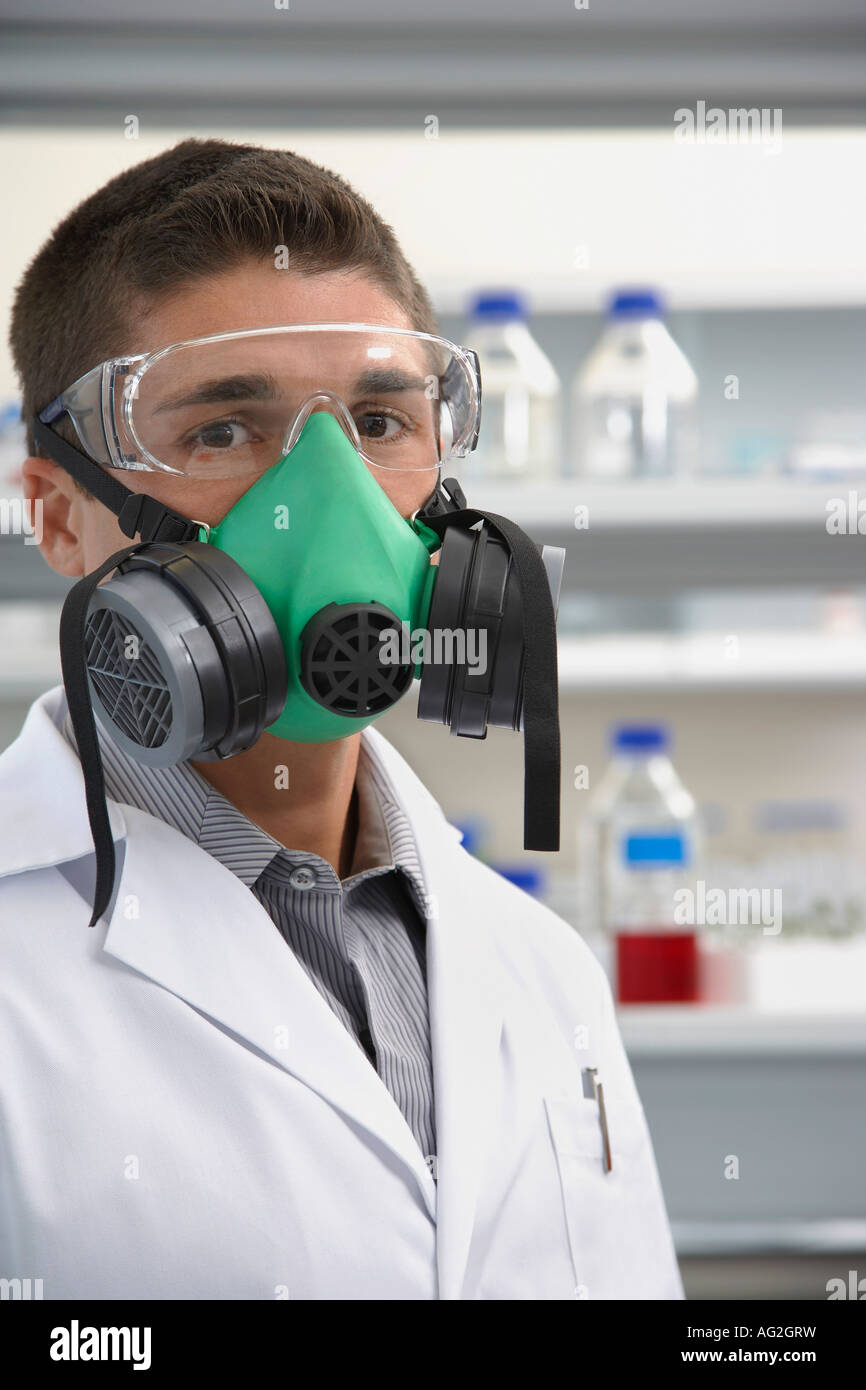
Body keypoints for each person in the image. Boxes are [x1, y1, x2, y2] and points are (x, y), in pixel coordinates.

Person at [0, 138, 683, 1300]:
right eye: (222, 430)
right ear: (59, 516)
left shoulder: (541, 969)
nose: (332, 498)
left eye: (376, 424)